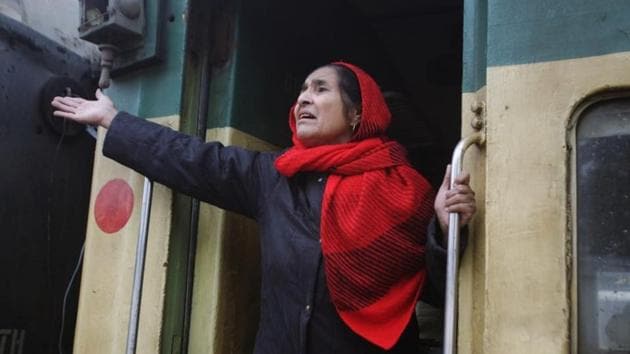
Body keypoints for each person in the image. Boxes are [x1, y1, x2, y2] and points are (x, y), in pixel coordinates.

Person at [52, 62, 475, 353]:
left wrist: (442, 227)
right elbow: (193, 158)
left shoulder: (407, 191)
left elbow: (436, 291)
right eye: (301, 91)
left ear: (357, 113)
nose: (303, 100)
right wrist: (114, 119)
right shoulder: (274, 176)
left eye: (320, 89)